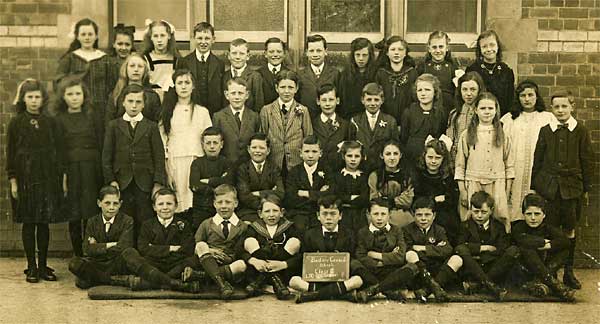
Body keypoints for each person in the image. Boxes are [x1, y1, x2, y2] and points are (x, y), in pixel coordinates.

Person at [531, 90, 593, 290]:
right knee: (549, 228)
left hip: (571, 189)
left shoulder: (580, 131)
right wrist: (536, 186)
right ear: (552, 109)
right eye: (556, 107)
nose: (560, 110)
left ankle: (568, 271)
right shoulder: (545, 130)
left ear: (572, 107)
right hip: (548, 189)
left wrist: (585, 188)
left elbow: (587, 161)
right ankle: (550, 272)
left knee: (569, 229)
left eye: (564, 106)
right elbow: (537, 160)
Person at [7, 79, 65, 282]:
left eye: (37, 97)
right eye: (29, 97)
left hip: (47, 177)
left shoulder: (51, 122)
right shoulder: (16, 123)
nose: (33, 101)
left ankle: (42, 266)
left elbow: (58, 152)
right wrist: (13, 180)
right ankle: (31, 266)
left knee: (43, 223)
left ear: (43, 99)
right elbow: (11, 154)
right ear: (23, 99)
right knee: (29, 222)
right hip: (25, 179)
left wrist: (60, 179)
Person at [102, 84, 166, 244]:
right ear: (123, 102)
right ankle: (125, 253)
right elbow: (106, 156)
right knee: (124, 219)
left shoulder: (150, 126)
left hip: (145, 182)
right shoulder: (114, 125)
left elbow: (159, 156)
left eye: (138, 102)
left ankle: (143, 253)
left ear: (143, 104)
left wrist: (158, 182)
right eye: (130, 101)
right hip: (121, 182)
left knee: (144, 218)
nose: (134, 105)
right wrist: (111, 180)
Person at [54, 75, 103, 257]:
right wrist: (63, 175)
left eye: (78, 93)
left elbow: (100, 142)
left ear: (84, 95)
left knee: (91, 212)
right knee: (75, 214)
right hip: (72, 170)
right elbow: (58, 150)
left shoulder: (92, 116)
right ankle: (78, 255)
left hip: (92, 169)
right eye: (70, 94)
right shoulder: (59, 120)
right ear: (63, 97)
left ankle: (92, 253)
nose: (75, 97)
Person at [120, 188, 200, 292]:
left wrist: (154, 248)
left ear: (176, 206)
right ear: (154, 207)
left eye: (169, 204)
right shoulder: (147, 225)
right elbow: (143, 248)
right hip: (152, 264)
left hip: (175, 264)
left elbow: (187, 249)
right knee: (129, 253)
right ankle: (173, 283)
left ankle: (151, 283)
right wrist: (170, 249)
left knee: (195, 258)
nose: (165, 207)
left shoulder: (183, 224)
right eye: (161, 204)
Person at [455, 92, 514, 232]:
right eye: (483, 108)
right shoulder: (467, 134)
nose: (487, 112)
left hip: (497, 183)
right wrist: (463, 190)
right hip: (473, 182)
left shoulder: (503, 134)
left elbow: (509, 165)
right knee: (472, 217)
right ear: (476, 110)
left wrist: (507, 189)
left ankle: (499, 248)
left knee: (499, 217)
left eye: (490, 108)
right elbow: (460, 165)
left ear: (496, 110)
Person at [291, 195, 365, 303]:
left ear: (340, 216)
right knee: (294, 281)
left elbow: (352, 257)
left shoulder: (349, 234)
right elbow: (304, 259)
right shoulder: (310, 234)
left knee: (357, 280)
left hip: (340, 279)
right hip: (317, 279)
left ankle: (313, 295)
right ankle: (340, 294)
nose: (328, 218)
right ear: (318, 216)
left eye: (333, 214)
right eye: (324, 214)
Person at [159, 69, 212, 214]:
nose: (183, 87)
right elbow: (163, 141)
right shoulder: (167, 112)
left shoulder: (202, 112)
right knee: (178, 197)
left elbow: (209, 139)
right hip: (175, 161)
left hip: (196, 160)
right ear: (174, 86)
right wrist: (167, 168)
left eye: (187, 83)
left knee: (194, 198)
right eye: (179, 83)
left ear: (193, 86)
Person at [501, 80, 554, 221]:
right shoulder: (509, 119)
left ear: (537, 96)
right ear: (517, 98)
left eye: (531, 95)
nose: (527, 99)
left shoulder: (547, 118)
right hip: (515, 168)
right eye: (523, 95)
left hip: (538, 168)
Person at [185, 184, 248, 299]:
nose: (223, 206)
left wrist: (228, 257)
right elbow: (196, 247)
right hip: (208, 260)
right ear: (214, 204)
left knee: (241, 265)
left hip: (228, 262)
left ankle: (200, 276)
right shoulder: (206, 224)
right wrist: (209, 251)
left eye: (228, 202)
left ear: (236, 204)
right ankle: (222, 284)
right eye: (220, 202)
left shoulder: (242, 226)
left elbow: (240, 250)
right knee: (201, 244)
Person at [55, 18, 118, 131]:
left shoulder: (105, 59)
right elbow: (59, 82)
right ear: (78, 37)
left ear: (96, 36)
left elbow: (113, 85)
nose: (87, 37)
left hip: (100, 110)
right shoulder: (70, 58)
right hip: (77, 109)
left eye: (90, 34)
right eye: (83, 34)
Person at [455, 191, 519, 300]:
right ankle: (491, 285)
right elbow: (459, 245)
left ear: (491, 211)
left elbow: (502, 247)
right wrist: (482, 248)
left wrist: (488, 253)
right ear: (471, 210)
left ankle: (479, 285)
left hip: (492, 264)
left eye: (483, 212)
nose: (479, 215)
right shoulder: (465, 226)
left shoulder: (498, 226)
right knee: (460, 249)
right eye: (476, 211)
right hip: (473, 264)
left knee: (513, 250)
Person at [354, 198, 420, 303]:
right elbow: (361, 255)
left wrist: (376, 255)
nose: (379, 218)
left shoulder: (397, 230)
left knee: (413, 267)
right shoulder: (363, 232)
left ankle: (374, 289)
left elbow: (400, 256)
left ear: (389, 214)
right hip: (372, 271)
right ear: (368, 214)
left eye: (383, 214)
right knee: (354, 264)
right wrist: (380, 263)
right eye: (375, 214)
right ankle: (388, 290)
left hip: (392, 271)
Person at [511, 193, 575, 301]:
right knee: (526, 249)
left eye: (537, 214)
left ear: (544, 215)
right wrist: (542, 242)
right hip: (525, 270)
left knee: (565, 251)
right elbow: (521, 240)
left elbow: (566, 241)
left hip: (544, 268)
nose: (533, 218)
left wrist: (549, 245)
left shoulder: (547, 228)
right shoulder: (518, 227)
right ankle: (554, 285)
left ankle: (539, 281)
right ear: (523, 214)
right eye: (528, 214)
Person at [68, 186, 134, 289]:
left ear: (120, 204)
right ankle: (113, 279)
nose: (111, 207)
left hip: (116, 262)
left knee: (130, 255)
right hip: (97, 263)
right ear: (99, 203)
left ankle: (96, 279)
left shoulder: (127, 220)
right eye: (107, 203)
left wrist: (98, 246)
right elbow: (86, 249)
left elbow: (124, 247)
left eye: (115, 203)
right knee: (74, 263)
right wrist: (111, 244)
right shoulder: (92, 221)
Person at [239, 195, 302, 300]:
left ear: (282, 212)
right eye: (267, 211)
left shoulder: (290, 228)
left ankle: (260, 282)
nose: (271, 215)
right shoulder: (253, 228)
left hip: (282, 269)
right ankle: (277, 282)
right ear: (260, 214)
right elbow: (239, 250)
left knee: (294, 242)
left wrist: (284, 264)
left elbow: (300, 254)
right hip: (259, 267)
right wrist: (254, 261)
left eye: (275, 211)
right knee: (249, 241)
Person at [403, 196, 463, 302]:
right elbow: (407, 250)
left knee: (456, 259)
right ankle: (434, 287)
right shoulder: (407, 230)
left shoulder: (439, 230)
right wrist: (435, 249)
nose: (423, 219)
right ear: (413, 215)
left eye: (427, 215)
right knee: (410, 255)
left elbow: (447, 249)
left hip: (437, 270)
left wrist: (423, 248)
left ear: (434, 216)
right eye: (419, 215)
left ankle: (428, 290)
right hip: (420, 271)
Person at [260, 70, 313, 174]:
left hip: (296, 161)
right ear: (276, 88)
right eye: (283, 87)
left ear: (296, 88)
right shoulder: (267, 110)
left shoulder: (303, 110)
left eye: (290, 87)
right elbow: (263, 137)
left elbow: (308, 137)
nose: (286, 91)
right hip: (274, 161)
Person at [412, 137, 459, 245]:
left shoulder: (448, 177)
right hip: (424, 212)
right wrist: (435, 199)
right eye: (430, 157)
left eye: (438, 158)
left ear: (443, 159)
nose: (433, 161)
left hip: (444, 213)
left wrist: (443, 199)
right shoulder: (419, 175)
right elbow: (418, 198)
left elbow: (452, 199)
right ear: (424, 156)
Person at [189, 127, 234, 232]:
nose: (212, 146)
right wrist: (219, 183)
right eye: (208, 143)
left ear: (221, 144)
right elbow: (195, 186)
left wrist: (209, 181)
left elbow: (229, 183)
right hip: (201, 207)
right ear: (203, 145)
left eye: (215, 142)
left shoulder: (227, 163)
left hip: (222, 207)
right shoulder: (197, 163)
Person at [349, 82, 399, 172]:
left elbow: (394, 146)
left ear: (382, 100)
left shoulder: (390, 121)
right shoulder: (355, 121)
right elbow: (351, 146)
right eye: (369, 100)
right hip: (361, 167)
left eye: (376, 100)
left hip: (382, 169)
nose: (372, 103)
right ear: (362, 100)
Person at [177, 21, 224, 115]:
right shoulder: (184, 62)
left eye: (207, 38)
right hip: (191, 111)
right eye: (199, 38)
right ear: (194, 38)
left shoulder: (219, 63)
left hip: (213, 112)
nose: (203, 42)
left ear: (213, 39)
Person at [400, 73, 448, 166]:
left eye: (427, 90)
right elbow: (404, 137)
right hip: (412, 155)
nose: (423, 93)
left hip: (432, 158)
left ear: (435, 92)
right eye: (420, 90)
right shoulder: (409, 112)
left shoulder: (440, 113)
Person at [284, 135, 329, 232]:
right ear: (300, 153)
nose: (310, 155)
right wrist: (318, 194)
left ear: (320, 153)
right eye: (307, 151)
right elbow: (291, 198)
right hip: (299, 213)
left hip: (320, 212)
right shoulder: (294, 172)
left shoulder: (327, 171)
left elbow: (329, 196)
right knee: (299, 228)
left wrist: (305, 193)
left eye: (314, 151)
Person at [236, 133, 285, 222]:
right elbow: (244, 196)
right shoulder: (242, 169)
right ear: (248, 149)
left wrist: (257, 193)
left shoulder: (274, 168)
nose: (257, 151)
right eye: (254, 148)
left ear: (268, 151)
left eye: (262, 148)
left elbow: (280, 192)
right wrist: (270, 193)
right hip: (249, 211)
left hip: (271, 212)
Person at [213, 78, 262, 165]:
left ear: (247, 95)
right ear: (227, 95)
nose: (237, 97)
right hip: (226, 166)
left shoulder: (254, 117)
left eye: (240, 93)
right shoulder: (218, 117)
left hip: (248, 166)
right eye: (233, 93)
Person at [466, 30, 514, 117]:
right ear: (480, 50)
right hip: (478, 116)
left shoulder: (506, 71)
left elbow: (510, 99)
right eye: (484, 46)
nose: (489, 49)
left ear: (498, 46)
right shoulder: (473, 70)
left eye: (492, 45)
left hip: (502, 116)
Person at [368, 140, 414, 228]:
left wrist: (390, 201)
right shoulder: (375, 175)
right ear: (382, 155)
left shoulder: (407, 176)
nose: (392, 158)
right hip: (380, 212)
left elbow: (407, 200)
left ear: (400, 155)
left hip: (401, 213)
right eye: (388, 154)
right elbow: (374, 198)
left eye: (395, 154)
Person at [106, 53, 162, 124]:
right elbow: (109, 123)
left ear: (145, 70)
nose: (136, 69)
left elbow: (156, 124)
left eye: (140, 66)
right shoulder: (116, 94)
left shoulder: (152, 96)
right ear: (126, 69)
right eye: (132, 66)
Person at [374, 35, 417, 125]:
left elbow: (415, 98)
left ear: (405, 53)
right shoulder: (381, 73)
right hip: (385, 118)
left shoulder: (412, 73)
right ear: (387, 53)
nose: (396, 53)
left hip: (407, 118)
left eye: (400, 49)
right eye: (393, 49)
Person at [328, 141, 369, 233]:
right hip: (343, 214)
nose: (353, 159)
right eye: (349, 156)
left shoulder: (364, 177)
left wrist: (346, 198)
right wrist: (352, 197)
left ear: (361, 157)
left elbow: (365, 197)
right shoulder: (337, 176)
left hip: (360, 214)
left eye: (357, 156)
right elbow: (335, 195)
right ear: (343, 156)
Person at [416, 31, 461, 114]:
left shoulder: (452, 66)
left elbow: (457, 90)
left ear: (447, 47)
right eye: (434, 47)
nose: (438, 50)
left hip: (448, 106)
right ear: (429, 49)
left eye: (441, 47)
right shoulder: (423, 66)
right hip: (428, 107)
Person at [446, 71, 486, 165]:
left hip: (477, 159)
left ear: (479, 90)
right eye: (464, 89)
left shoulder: (484, 113)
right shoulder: (454, 114)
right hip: (456, 160)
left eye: (473, 89)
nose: (468, 93)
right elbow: (450, 138)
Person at [296, 34, 341, 118]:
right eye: (311, 51)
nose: (315, 54)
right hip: (306, 119)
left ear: (326, 51)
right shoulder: (300, 75)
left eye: (319, 50)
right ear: (307, 53)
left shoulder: (335, 73)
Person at [311, 83, 349, 173]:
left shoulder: (346, 125)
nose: (327, 104)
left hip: (339, 171)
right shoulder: (312, 124)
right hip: (318, 171)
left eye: (331, 100)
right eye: (324, 100)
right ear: (318, 101)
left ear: (338, 101)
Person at [338, 37, 377, 119]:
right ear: (353, 55)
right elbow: (342, 102)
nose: (361, 59)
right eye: (358, 55)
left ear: (370, 56)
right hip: (350, 118)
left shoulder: (376, 74)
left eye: (364, 55)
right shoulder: (345, 75)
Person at [222, 38, 264, 112]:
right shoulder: (223, 76)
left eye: (241, 53)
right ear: (228, 55)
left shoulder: (255, 77)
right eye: (234, 53)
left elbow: (258, 105)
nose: (238, 57)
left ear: (248, 56)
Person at [142, 19, 180, 100]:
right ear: (151, 38)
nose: (159, 40)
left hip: (171, 99)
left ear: (169, 36)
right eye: (155, 36)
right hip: (151, 100)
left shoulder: (176, 59)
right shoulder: (145, 59)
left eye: (162, 35)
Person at [258, 37, 290, 105]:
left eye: (279, 51)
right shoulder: (258, 74)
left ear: (284, 54)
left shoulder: (290, 74)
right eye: (271, 52)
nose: (275, 55)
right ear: (265, 54)